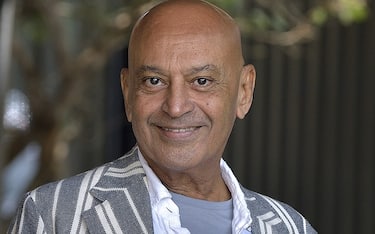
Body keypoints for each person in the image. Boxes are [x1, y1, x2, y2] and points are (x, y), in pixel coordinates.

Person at [8, 0, 317, 233]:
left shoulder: (291, 227)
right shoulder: (54, 215)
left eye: (202, 81)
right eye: (154, 81)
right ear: (128, 92)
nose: (176, 106)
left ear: (244, 92)